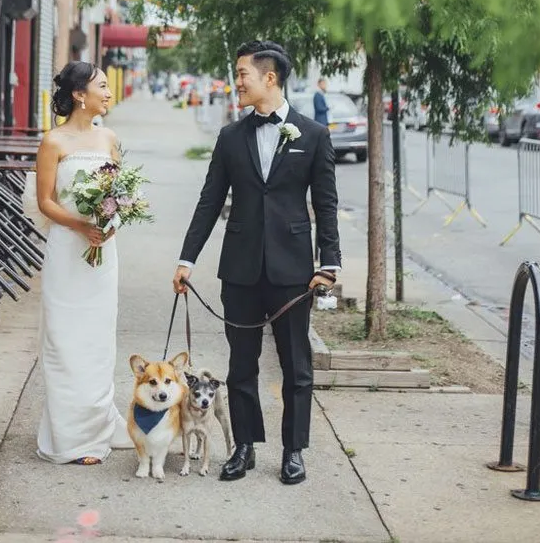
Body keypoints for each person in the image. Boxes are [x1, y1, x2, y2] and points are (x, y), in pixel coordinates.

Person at [172, 40, 341, 485]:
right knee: (241, 364)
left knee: (296, 366)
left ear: (270, 78)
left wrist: (330, 265)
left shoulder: (314, 135)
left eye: (242, 73)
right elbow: (210, 201)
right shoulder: (231, 136)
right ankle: (243, 446)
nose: (237, 82)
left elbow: (326, 205)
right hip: (241, 269)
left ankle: (293, 451)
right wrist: (187, 259)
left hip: (294, 272)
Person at [35, 61, 133, 465]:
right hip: (66, 251)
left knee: (95, 341)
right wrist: (81, 225)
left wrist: (112, 221)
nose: (108, 93)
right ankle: (68, 437)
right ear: (79, 94)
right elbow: (45, 202)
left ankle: (95, 429)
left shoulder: (109, 137)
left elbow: (120, 193)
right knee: (63, 340)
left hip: (102, 253)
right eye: (101, 87)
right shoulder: (53, 142)